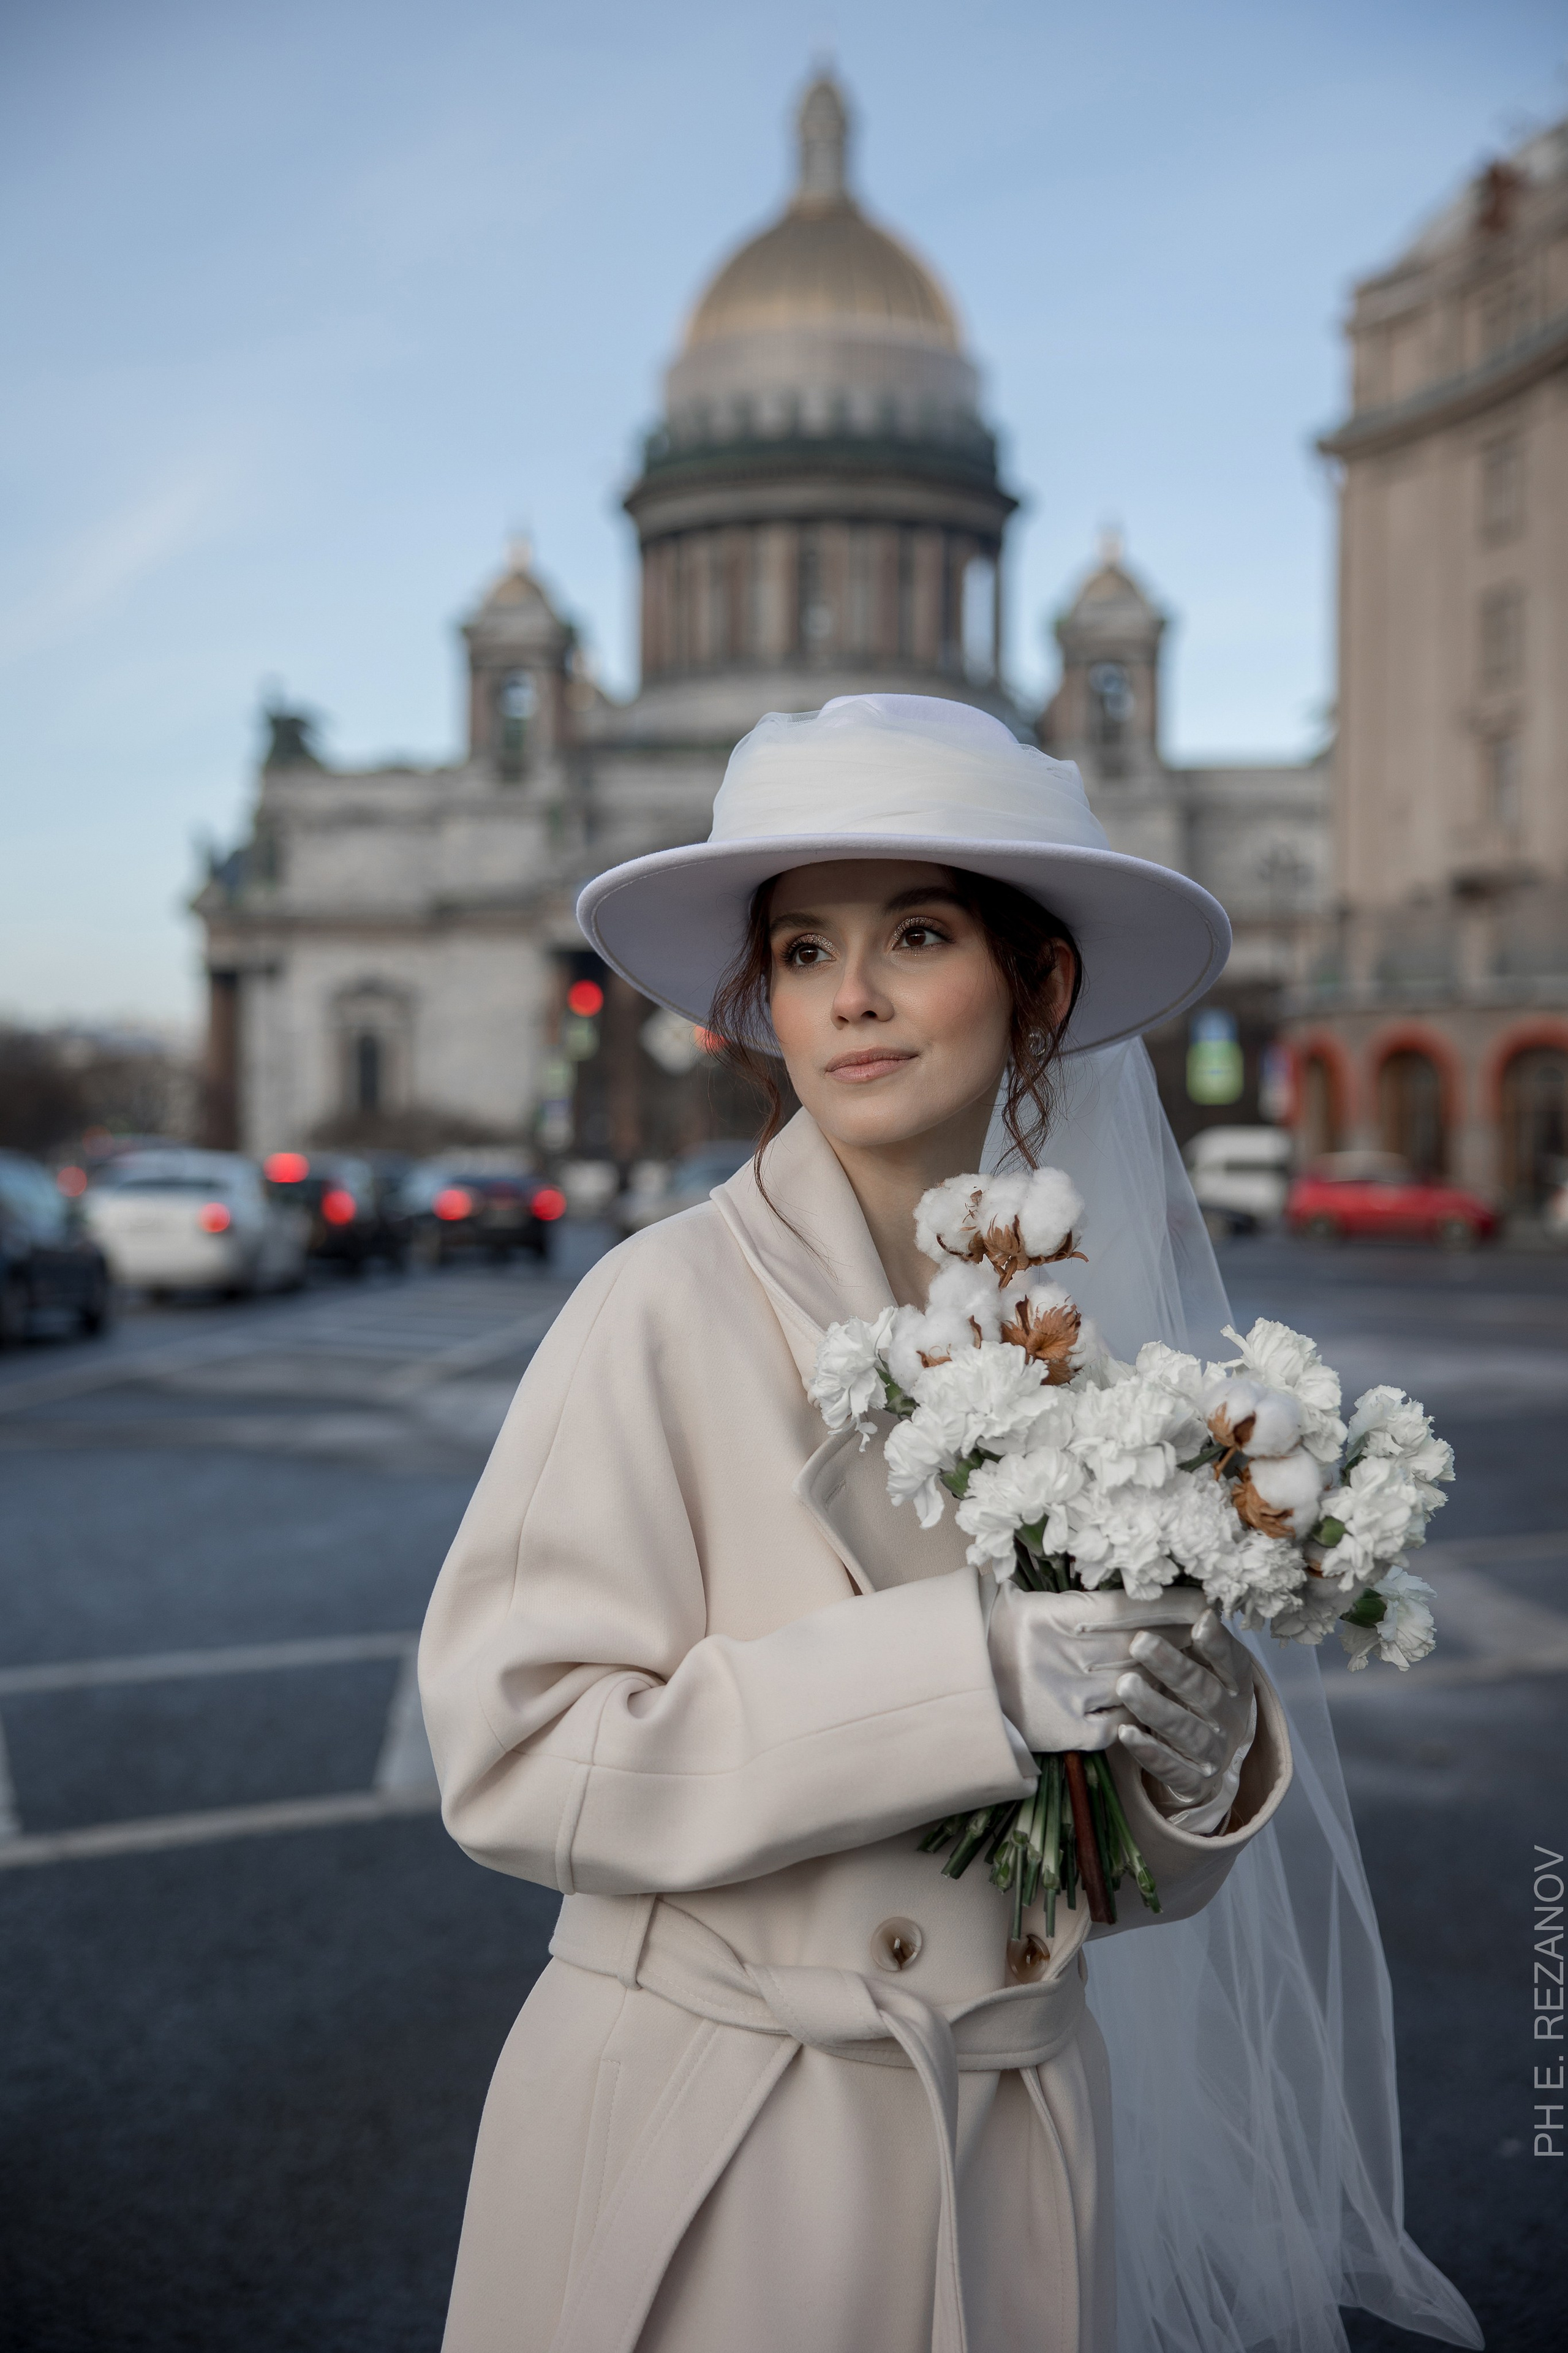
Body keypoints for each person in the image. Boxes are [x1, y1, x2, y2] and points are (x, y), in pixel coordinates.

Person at [420, 697, 1481, 2353]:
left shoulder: (1082, 1344)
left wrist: (1189, 1767)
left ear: (1037, 982)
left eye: (916, 932)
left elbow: (1081, 1874)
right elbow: (511, 1751)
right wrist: (964, 1676)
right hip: (728, 2145)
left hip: (1016, 2152)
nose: (847, 996)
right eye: (799, 949)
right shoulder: (656, 1304)